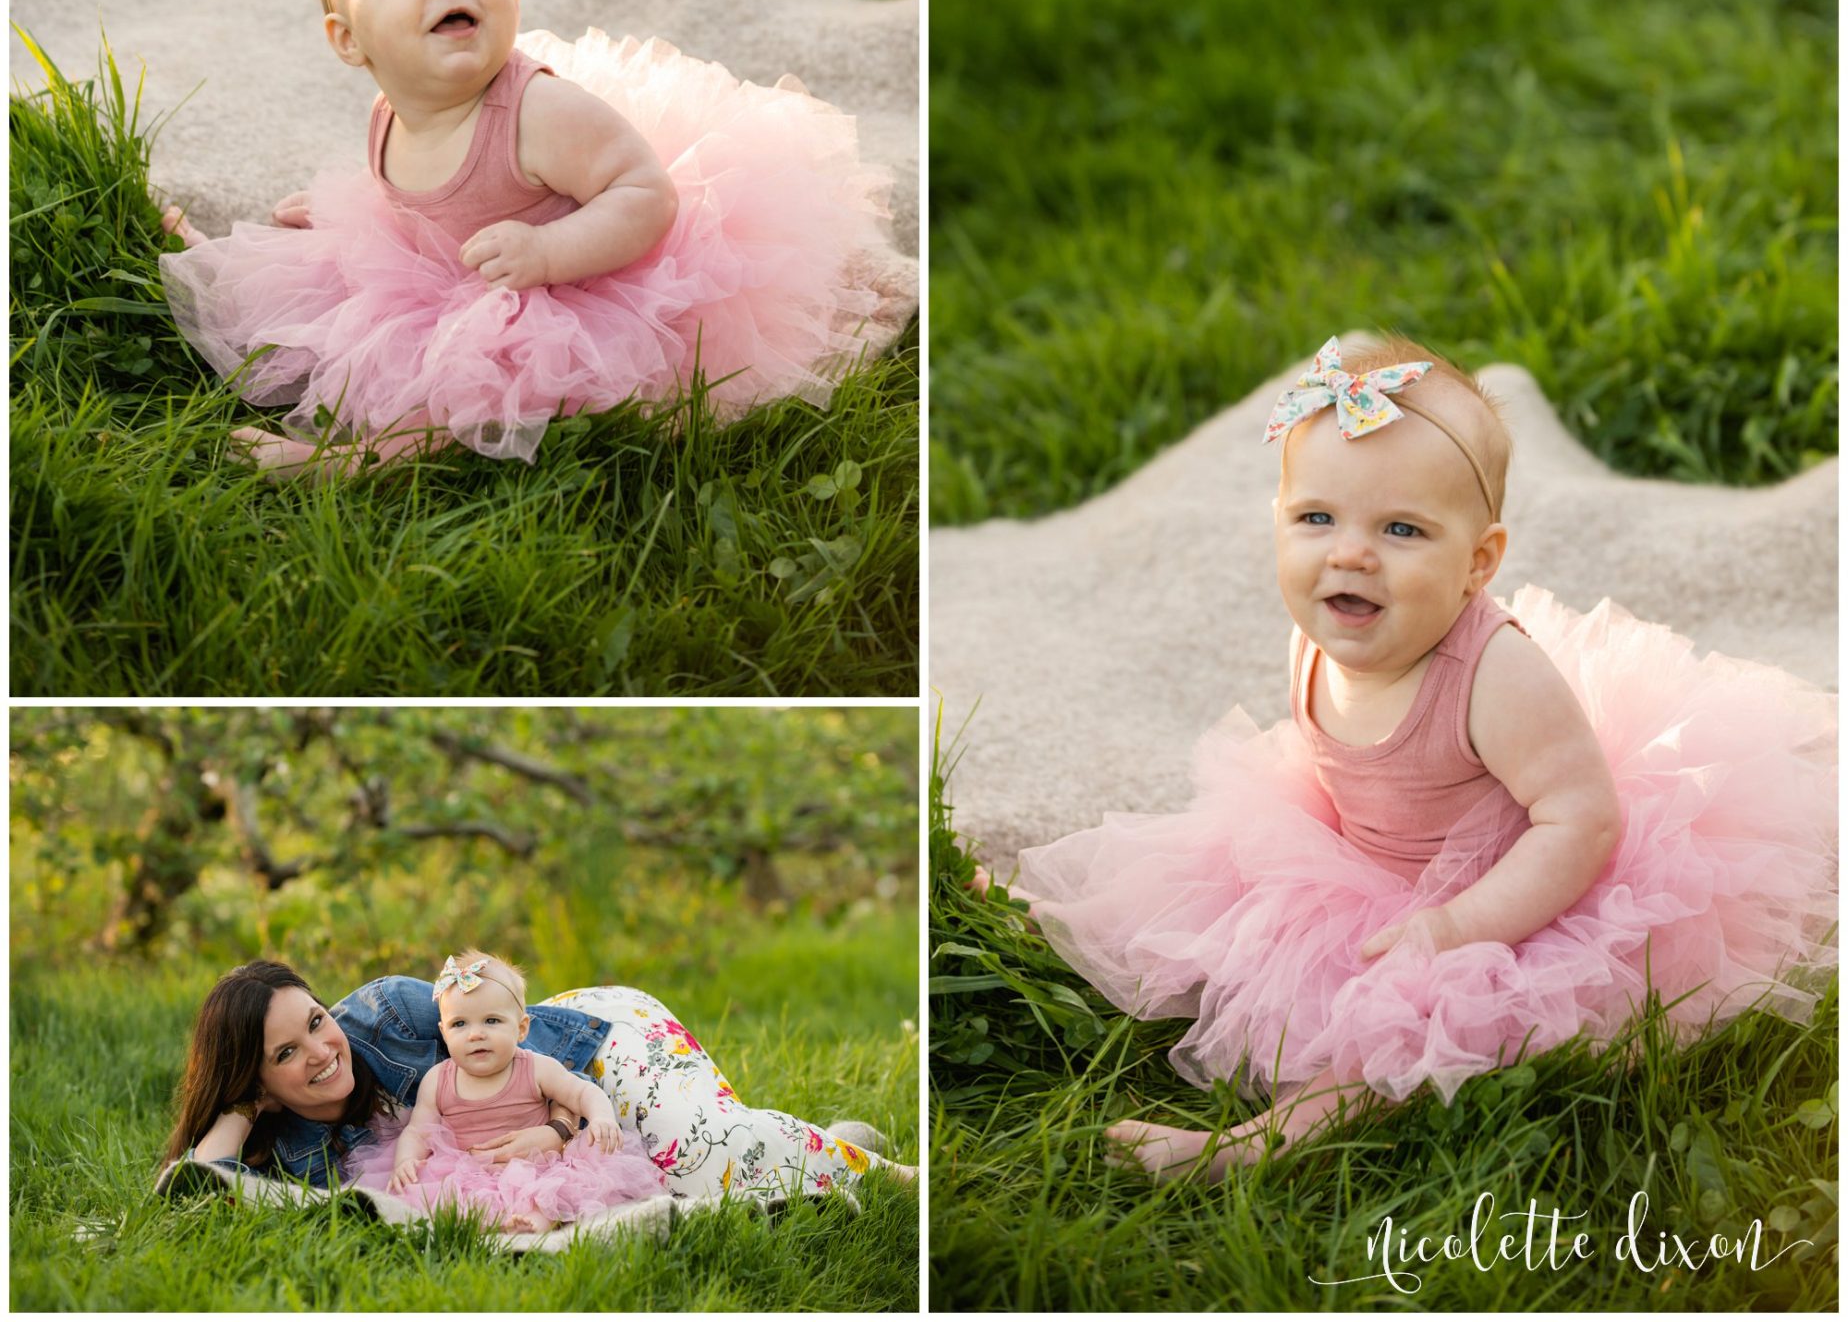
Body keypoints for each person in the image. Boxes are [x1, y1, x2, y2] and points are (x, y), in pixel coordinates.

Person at [978, 335, 1836, 1181]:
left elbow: (1584, 818)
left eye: (1400, 528)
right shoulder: (1318, 636)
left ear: (1478, 562)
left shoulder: (1496, 676)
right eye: (1317, 519)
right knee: (1200, 887)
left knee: (1394, 1035)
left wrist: (1461, 926)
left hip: (1510, 901)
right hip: (1369, 864)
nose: (1349, 552)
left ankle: (1250, 1150)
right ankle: (1057, 920)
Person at [158, 0, 897, 477]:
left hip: (578, 283)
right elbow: (426, 198)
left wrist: (548, 251)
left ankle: (351, 466)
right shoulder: (391, 112)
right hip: (470, 266)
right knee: (323, 277)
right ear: (350, 41)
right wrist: (350, 214)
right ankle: (219, 275)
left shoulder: (541, 114)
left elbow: (647, 194)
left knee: (475, 393)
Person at [163, 960, 905, 1204]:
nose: (323, 1052)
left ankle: (900, 1180)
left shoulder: (390, 1011)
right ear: (255, 1082)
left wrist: (557, 1130)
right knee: (703, 1185)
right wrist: (236, 1108)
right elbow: (203, 1185)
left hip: (593, 1050)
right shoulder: (295, 1149)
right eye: (285, 1055)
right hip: (560, 1117)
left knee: (706, 1149)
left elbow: (523, 1043)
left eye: (316, 1021)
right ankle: (826, 1146)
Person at [340, 949, 667, 1234]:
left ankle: (537, 1220)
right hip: (467, 1168)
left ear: (521, 1027)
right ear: (443, 1031)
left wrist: (601, 1119)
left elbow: (581, 1093)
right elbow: (418, 1129)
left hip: (538, 1165)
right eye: (460, 1025)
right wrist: (406, 1161)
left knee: (555, 1187)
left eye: (492, 1021)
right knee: (441, 1197)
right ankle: (488, 1222)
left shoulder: (535, 1067)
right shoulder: (439, 1079)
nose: (476, 1035)